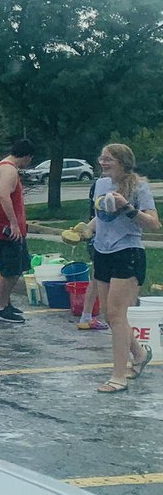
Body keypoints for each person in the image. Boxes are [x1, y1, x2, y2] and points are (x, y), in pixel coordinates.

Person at [83, 144, 159, 394]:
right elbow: (100, 214)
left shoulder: (139, 187)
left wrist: (127, 207)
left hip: (128, 253)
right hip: (103, 253)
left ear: (123, 162)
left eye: (109, 159)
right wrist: (85, 229)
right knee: (109, 314)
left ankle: (118, 376)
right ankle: (139, 353)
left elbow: (154, 224)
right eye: (102, 158)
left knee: (116, 315)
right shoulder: (102, 184)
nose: (103, 163)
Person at [0, 139, 36, 324]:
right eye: (30, 159)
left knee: (19, 266)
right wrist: (13, 223)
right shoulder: (9, 169)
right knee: (10, 270)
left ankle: (4, 301)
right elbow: (3, 195)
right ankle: (2, 308)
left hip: (10, 229)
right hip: (5, 229)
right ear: (27, 156)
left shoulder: (4, 167)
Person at [76, 170, 109, 331]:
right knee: (100, 278)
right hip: (100, 236)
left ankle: (87, 315)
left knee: (97, 278)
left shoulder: (99, 184)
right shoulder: (105, 185)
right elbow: (102, 215)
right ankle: (92, 315)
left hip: (95, 235)